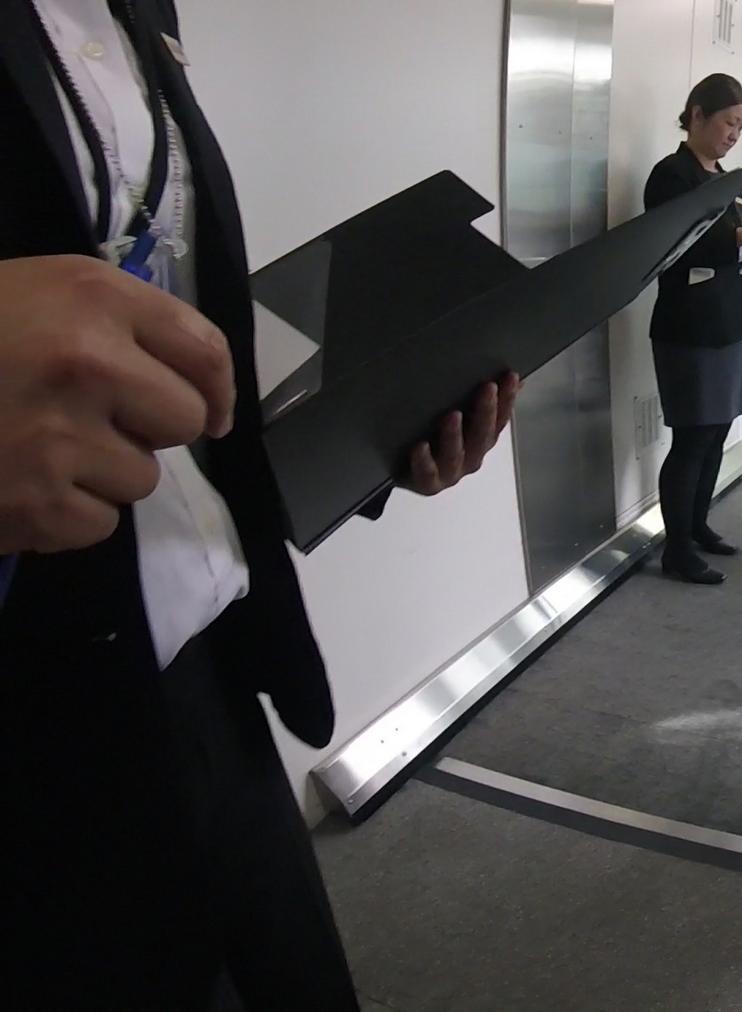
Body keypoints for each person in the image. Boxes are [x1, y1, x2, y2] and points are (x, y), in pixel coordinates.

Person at [1, 2, 521, 1007]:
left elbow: (201, 391)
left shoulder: (140, 10)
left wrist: (376, 442)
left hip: (218, 677)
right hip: (38, 733)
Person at [646, 74, 742, 585]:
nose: (735, 134)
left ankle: (697, 525)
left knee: (717, 434)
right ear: (696, 114)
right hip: (689, 326)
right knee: (692, 437)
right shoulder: (671, 176)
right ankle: (677, 547)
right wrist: (736, 237)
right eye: (730, 122)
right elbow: (673, 245)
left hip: (729, 322)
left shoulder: (726, 179)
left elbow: (732, 255)